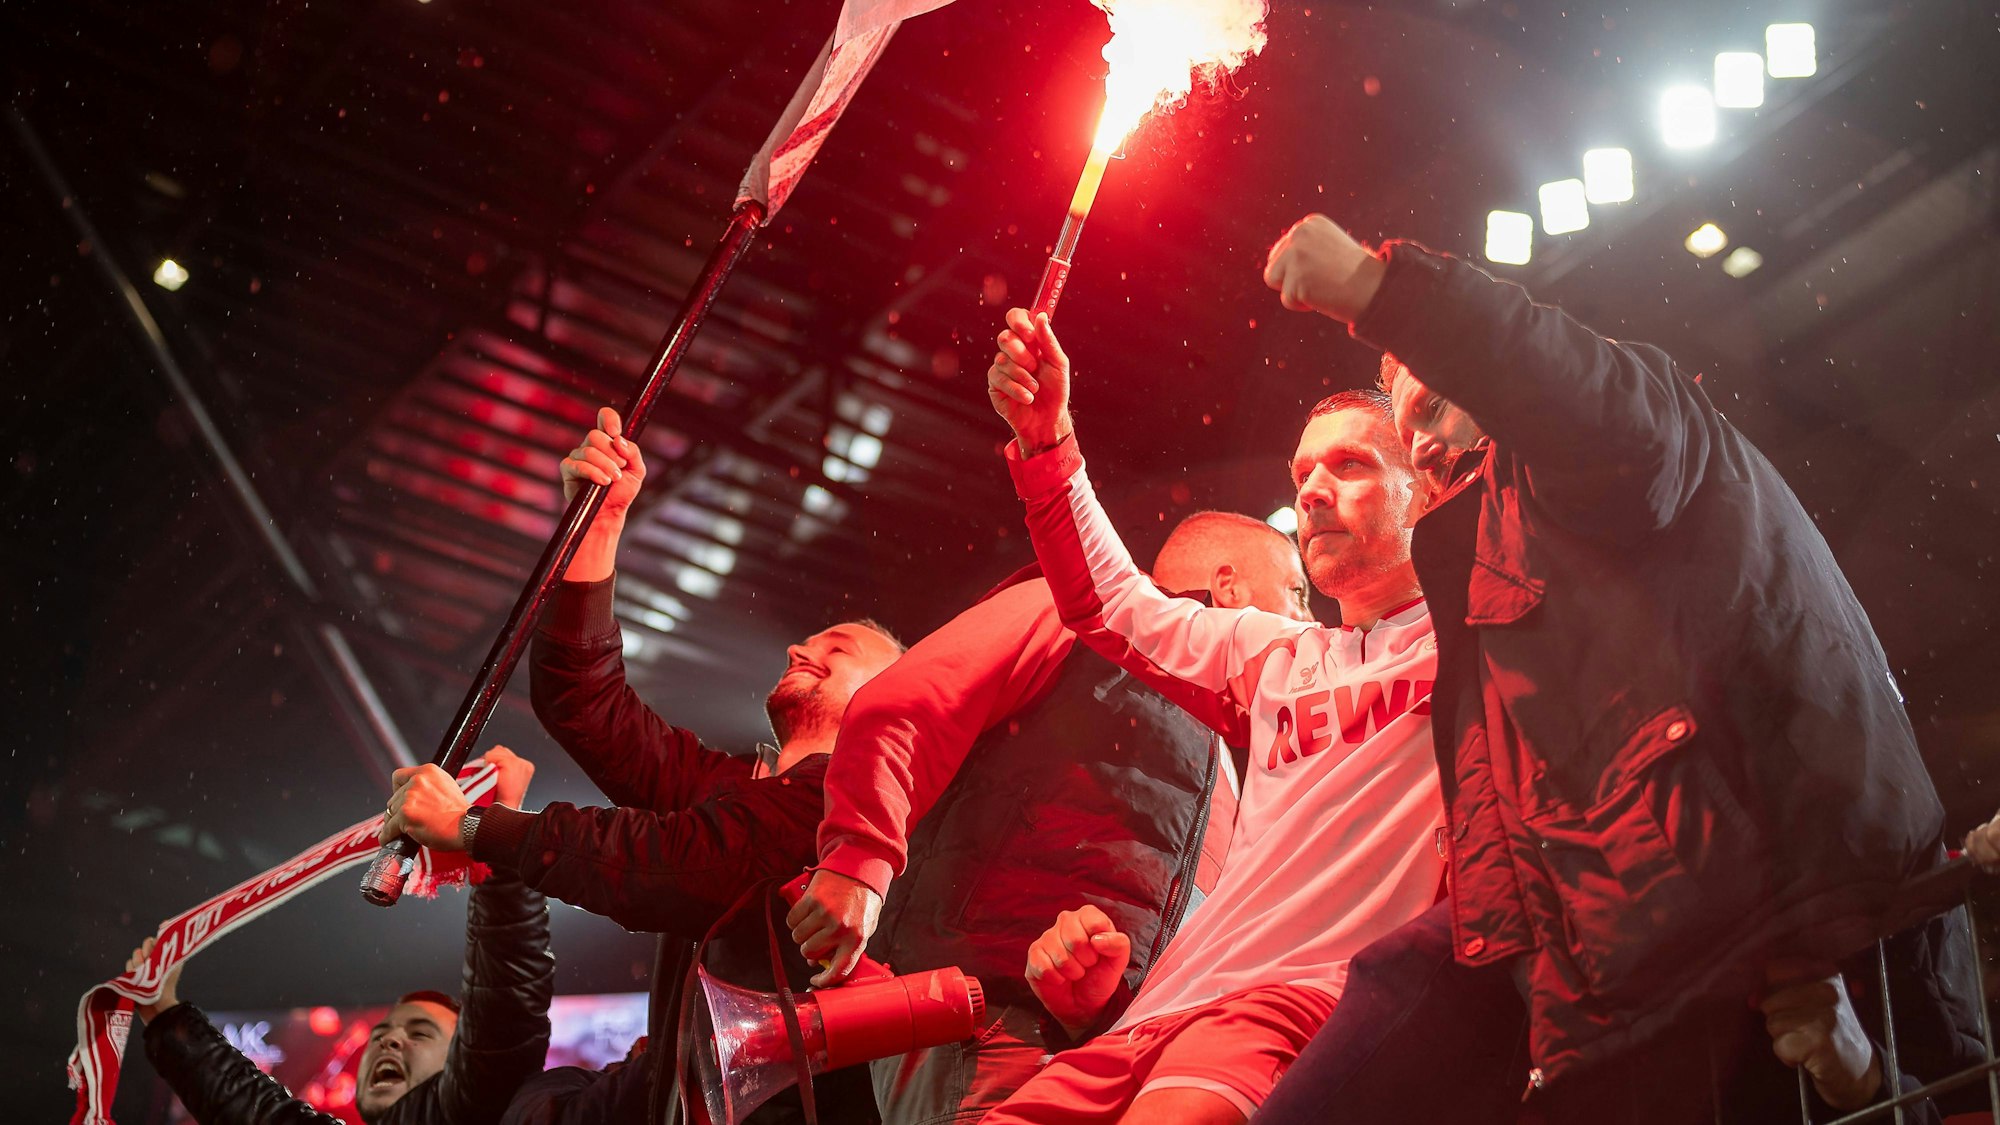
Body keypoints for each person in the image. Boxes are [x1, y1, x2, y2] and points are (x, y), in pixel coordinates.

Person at [1252, 214, 1984, 1124]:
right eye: (1409, 432)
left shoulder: (1613, 441)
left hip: (1769, 922)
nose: (1426, 446)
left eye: (1435, 407)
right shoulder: (1490, 561)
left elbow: (1574, 389)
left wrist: (1380, 290)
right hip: (1664, 966)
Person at [960, 306, 1448, 1125]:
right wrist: (1049, 442)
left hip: (1289, 1006)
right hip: (1151, 1013)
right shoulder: (1279, 655)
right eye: (1301, 475)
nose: (1314, 491)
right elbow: (1112, 604)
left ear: (1424, 486)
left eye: (1351, 465)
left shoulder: (1473, 642)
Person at [388, 407, 902, 1125]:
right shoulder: (742, 789)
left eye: (837, 647)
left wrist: (476, 827)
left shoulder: (855, 805)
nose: (797, 648)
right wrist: (596, 529)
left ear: (891, 698)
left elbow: (669, 863)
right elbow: (585, 704)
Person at [785, 507, 1311, 1125]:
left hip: (1109, 1052)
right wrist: (857, 859)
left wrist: (1103, 1007)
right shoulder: (1074, 611)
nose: (1309, 623)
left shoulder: (1223, 746)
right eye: (1298, 596)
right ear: (1230, 589)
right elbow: (910, 702)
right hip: (986, 1020)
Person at [127, 747, 553, 1125]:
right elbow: (254, 1111)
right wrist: (165, 1014)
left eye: (421, 1033)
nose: (388, 1038)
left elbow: (506, 1001)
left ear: (467, 1062)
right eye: (381, 1033)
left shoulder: (481, 1103)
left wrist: (499, 834)